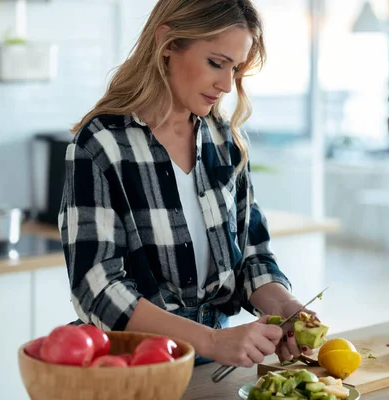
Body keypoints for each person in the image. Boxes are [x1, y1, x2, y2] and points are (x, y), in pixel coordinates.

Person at [58, 0, 319, 368]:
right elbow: (97, 288)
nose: (227, 85)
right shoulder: (100, 144)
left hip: (214, 366)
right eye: (216, 62)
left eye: (236, 68)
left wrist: (285, 307)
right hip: (131, 367)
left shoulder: (223, 137)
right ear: (167, 43)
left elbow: (251, 256)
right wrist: (210, 340)